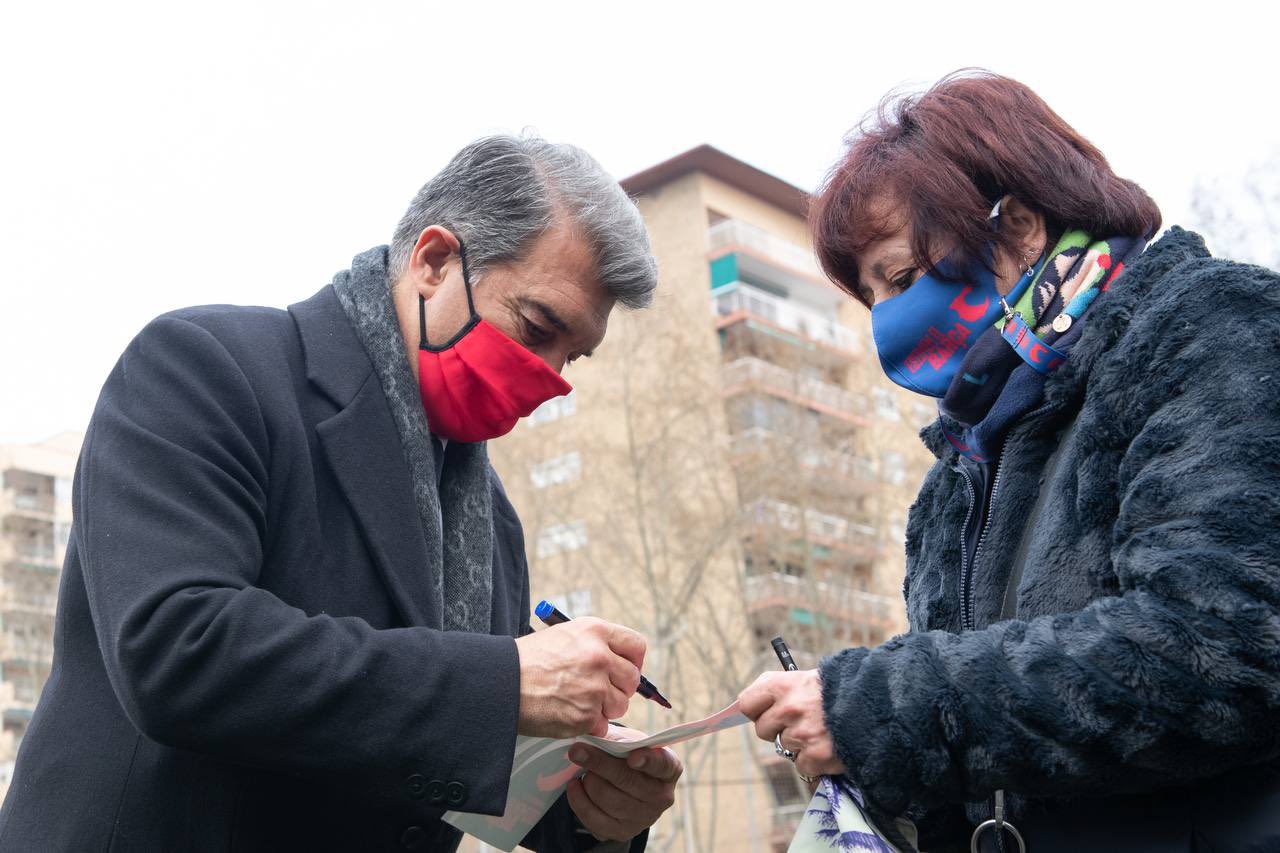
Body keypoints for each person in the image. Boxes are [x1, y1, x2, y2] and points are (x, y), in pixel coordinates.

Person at [0, 136, 682, 852]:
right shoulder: (207, 366)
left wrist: (596, 808)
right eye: (538, 327)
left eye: (571, 355)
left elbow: (450, 753)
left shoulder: (492, 519)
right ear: (434, 261)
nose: (548, 378)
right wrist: (507, 683)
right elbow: (177, 647)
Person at [739, 71, 1280, 851]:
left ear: (1019, 227)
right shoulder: (957, 474)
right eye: (871, 299)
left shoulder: (1210, 330)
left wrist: (881, 709)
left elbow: (1223, 647)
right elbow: (999, 746)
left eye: (900, 277)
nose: (889, 326)